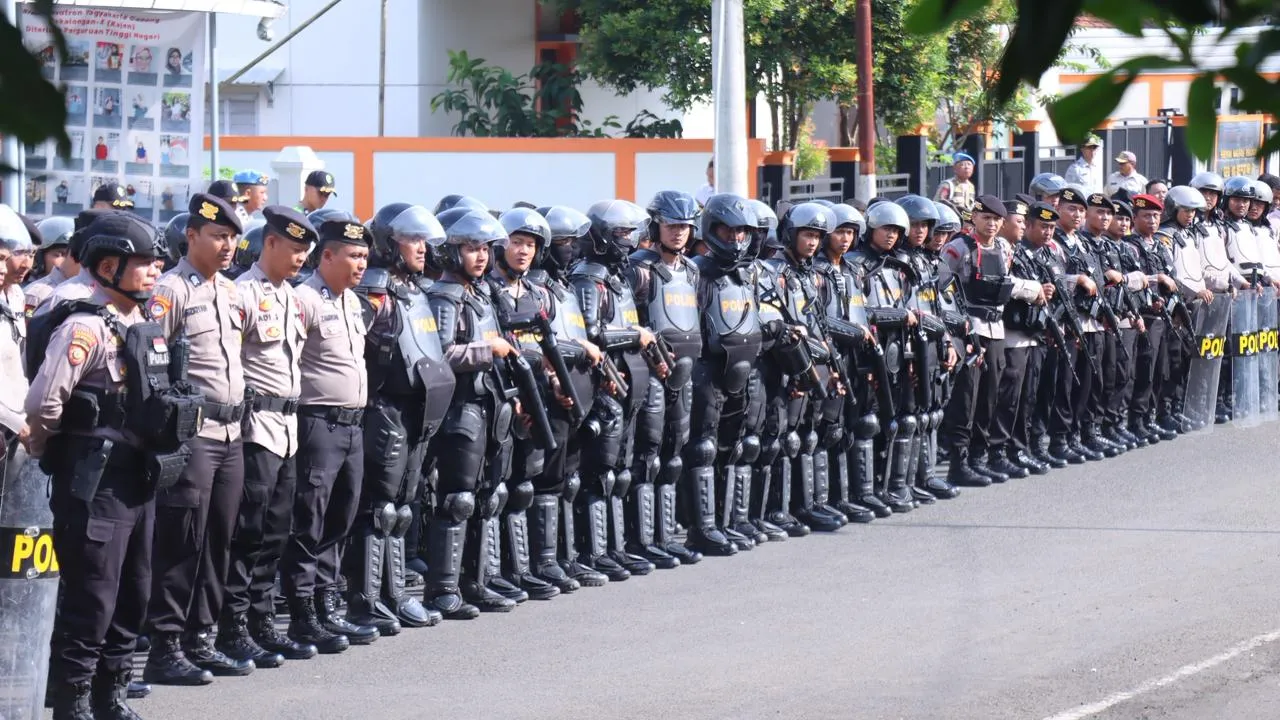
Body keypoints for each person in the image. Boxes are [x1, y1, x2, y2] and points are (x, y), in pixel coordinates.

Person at [30, 214, 187, 720]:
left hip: (139, 475)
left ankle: (111, 694)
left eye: (155, 262)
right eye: (142, 263)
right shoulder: (84, 327)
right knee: (92, 596)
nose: (153, 271)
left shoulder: (142, 325)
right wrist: (54, 451)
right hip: (95, 479)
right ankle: (73, 700)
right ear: (107, 266)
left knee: (134, 591)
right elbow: (43, 405)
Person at [143, 194, 253, 686]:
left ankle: (201, 639)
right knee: (182, 540)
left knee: (219, 538)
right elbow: (153, 367)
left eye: (232, 237)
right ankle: (165, 644)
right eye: (217, 236)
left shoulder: (230, 292)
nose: (227, 245)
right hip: (194, 436)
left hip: (232, 431)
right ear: (192, 237)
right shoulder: (172, 290)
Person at [219, 207, 324, 666]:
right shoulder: (242, 294)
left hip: (288, 429)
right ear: (271, 243)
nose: (301, 258)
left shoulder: (293, 297)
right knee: (248, 532)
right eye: (295, 248)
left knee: (277, 531)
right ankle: (233, 625)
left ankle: (262, 623)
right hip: (255, 427)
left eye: (307, 250)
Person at [352, 203, 455, 628]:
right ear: (389, 242)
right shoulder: (375, 291)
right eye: (413, 239)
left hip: (416, 409)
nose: (422, 248)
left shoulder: (415, 291)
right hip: (383, 407)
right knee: (378, 509)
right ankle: (367, 598)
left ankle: (395, 594)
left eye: (424, 240)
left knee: (403, 509)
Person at [281, 214, 380, 645]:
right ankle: (303, 613)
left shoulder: (352, 302)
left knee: (340, 518)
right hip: (317, 422)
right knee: (309, 519)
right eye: (352, 255)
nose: (360, 265)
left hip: (352, 426)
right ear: (326, 255)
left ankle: (327, 604)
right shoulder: (305, 299)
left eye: (364, 257)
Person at [422, 210, 521, 616]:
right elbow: (441, 353)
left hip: (490, 405)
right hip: (461, 409)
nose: (480, 256)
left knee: (488, 496)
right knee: (457, 499)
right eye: (470, 248)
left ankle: (477, 581)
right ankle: (444, 589)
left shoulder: (481, 295)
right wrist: (487, 351)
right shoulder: (444, 297)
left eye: (484, 248)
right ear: (450, 251)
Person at [569, 201, 668, 575]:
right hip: (604, 382)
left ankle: (615, 546)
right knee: (599, 471)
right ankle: (591, 553)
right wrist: (634, 335)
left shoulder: (616, 276)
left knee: (621, 471)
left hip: (629, 380)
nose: (628, 241)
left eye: (631, 233)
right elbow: (591, 332)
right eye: (620, 233)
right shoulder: (589, 277)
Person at [527, 205, 609, 590]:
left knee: (568, 480)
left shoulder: (564, 287)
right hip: (552, 392)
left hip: (578, 390)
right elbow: (542, 340)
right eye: (562, 242)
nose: (571, 249)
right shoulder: (538, 289)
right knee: (547, 479)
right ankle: (543, 561)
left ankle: (566, 556)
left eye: (574, 242)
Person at [938, 195, 1044, 485]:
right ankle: (958, 464)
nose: (993, 224)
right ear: (974, 218)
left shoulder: (1003, 248)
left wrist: (1030, 289)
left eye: (997, 219)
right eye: (987, 218)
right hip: (969, 328)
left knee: (990, 396)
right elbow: (942, 289)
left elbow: (1005, 285)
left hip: (996, 329)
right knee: (967, 397)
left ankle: (978, 458)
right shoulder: (958, 247)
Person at [626, 190, 702, 566]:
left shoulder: (691, 269)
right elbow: (630, 324)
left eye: (685, 226)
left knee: (674, 456)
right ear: (656, 225)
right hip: (652, 372)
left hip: (684, 373)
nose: (679, 233)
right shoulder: (638, 268)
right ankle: (641, 540)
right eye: (672, 225)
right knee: (648, 455)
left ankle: (666, 534)